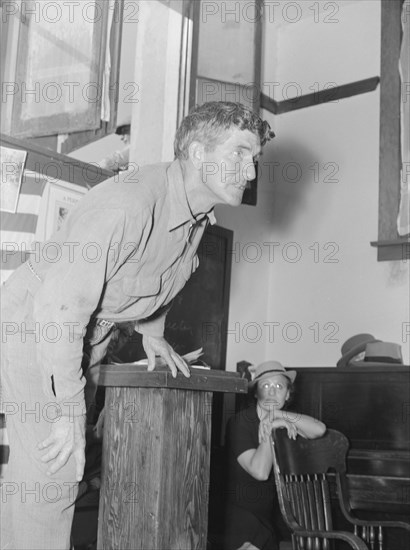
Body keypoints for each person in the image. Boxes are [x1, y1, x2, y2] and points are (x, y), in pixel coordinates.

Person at [0, 101, 274, 550]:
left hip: (88, 335)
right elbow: (59, 308)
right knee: (55, 475)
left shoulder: (196, 215)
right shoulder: (128, 203)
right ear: (198, 153)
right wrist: (69, 408)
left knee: (38, 477)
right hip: (40, 326)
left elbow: (159, 274)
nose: (249, 170)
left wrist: (153, 332)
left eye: (255, 159)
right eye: (240, 153)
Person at [224, 361, 326, 550]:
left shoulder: (283, 419)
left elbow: (319, 429)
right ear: (256, 392)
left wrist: (276, 415)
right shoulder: (240, 422)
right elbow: (260, 472)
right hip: (239, 518)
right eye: (265, 386)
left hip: (271, 519)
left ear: (287, 394)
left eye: (279, 386)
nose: (272, 392)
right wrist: (270, 428)